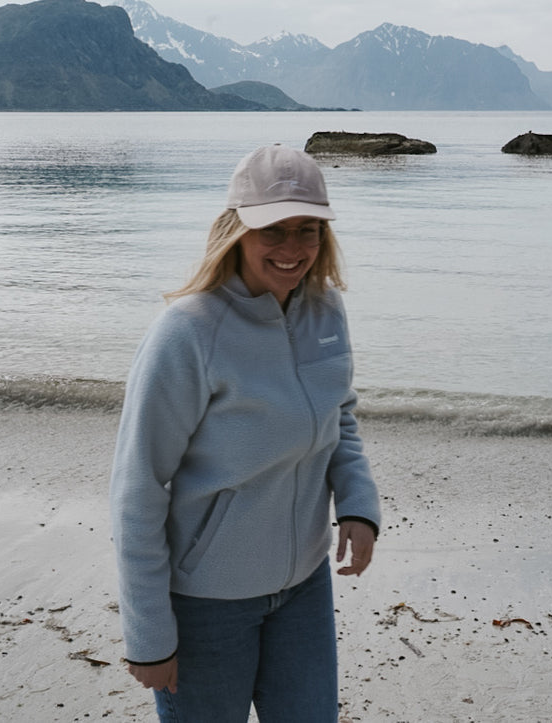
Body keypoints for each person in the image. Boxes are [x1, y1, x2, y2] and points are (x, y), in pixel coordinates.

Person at [110, 144, 381, 722]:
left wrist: (358, 505)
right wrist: (149, 634)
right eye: (273, 231)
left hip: (304, 587)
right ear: (236, 229)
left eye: (307, 230)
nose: (293, 249)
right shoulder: (186, 332)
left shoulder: (325, 311)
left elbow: (340, 415)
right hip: (208, 602)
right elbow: (137, 488)